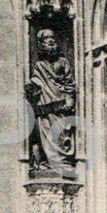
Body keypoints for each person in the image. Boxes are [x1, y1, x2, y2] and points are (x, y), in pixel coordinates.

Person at [25, 29, 77, 176]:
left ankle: (63, 162)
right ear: (41, 45)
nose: (51, 42)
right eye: (47, 40)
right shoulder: (39, 65)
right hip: (45, 106)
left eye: (52, 39)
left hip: (60, 104)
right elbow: (37, 82)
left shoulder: (63, 62)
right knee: (46, 135)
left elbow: (70, 83)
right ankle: (48, 162)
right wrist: (32, 86)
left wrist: (70, 98)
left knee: (61, 133)